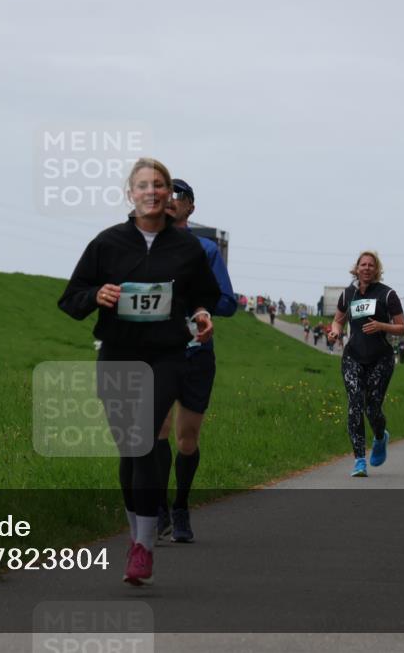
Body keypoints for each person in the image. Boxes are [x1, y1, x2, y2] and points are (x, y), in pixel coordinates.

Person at [58, 157, 219, 586]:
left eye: (160, 185)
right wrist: (97, 294)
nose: (152, 191)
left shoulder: (186, 248)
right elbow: (70, 299)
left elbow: (205, 296)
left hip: (167, 356)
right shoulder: (107, 243)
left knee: (146, 438)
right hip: (118, 354)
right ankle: (136, 535)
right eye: (144, 185)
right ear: (130, 193)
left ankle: (144, 547)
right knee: (130, 449)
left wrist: (202, 314)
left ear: (169, 195)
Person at [154, 178, 237, 544]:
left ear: (190, 207)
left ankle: (182, 504)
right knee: (156, 433)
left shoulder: (206, 250)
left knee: (187, 439)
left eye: (178, 195)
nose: (170, 200)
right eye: (163, 194)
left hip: (195, 353)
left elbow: (227, 302)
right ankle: (157, 510)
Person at [328, 251, 404, 477]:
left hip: (380, 358)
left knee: (372, 407)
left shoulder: (387, 294)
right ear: (357, 268)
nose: (367, 268)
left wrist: (382, 326)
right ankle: (359, 460)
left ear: (377, 269)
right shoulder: (348, 294)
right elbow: (338, 320)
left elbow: (401, 327)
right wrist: (335, 332)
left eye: (371, 265)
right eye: (363, 264)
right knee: (354, 404)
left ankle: (381, 436)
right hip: (353, 356)